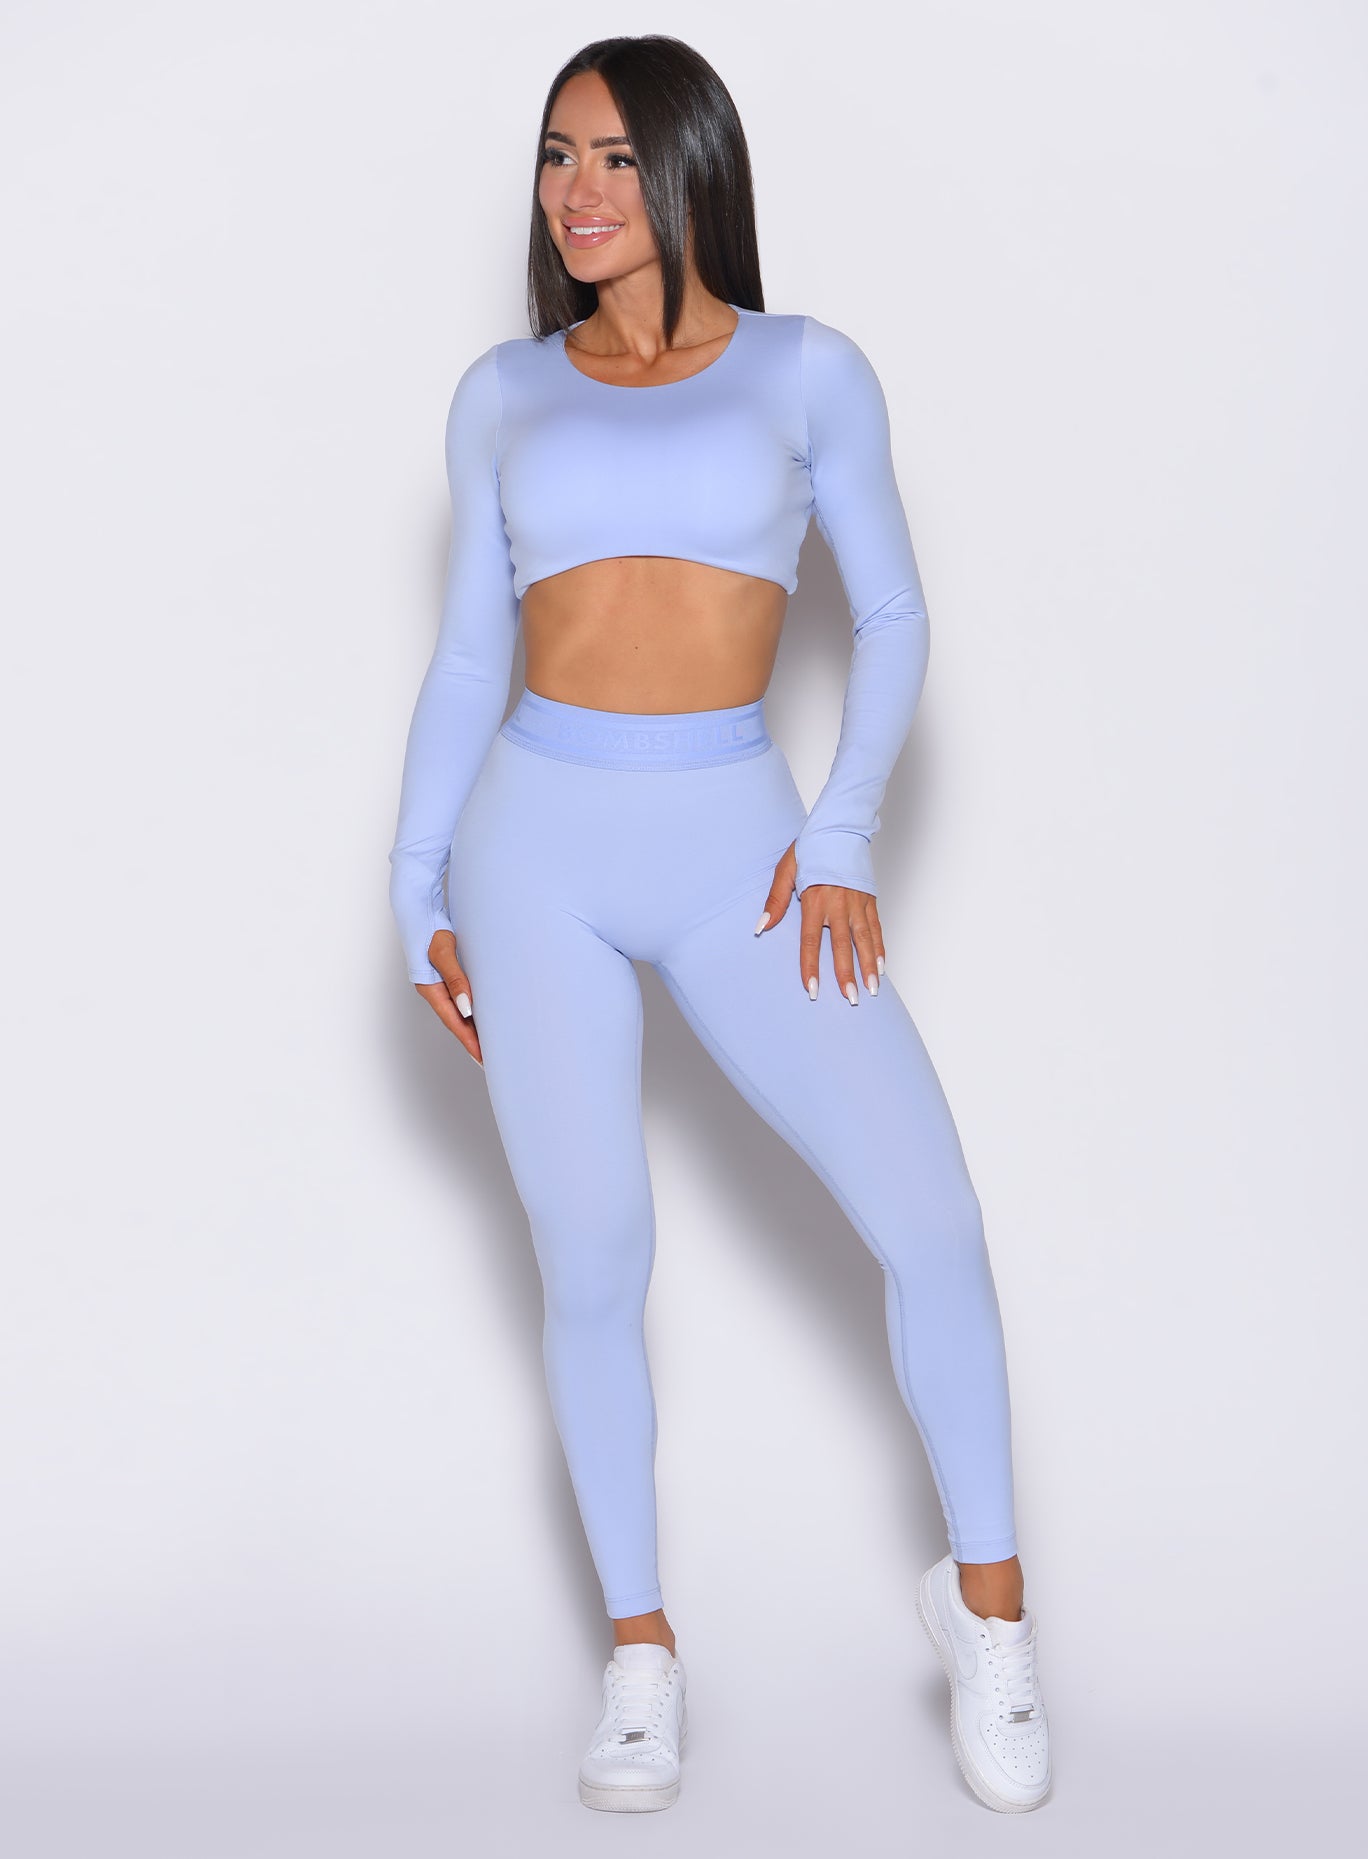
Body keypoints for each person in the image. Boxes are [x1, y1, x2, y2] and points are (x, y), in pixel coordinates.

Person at [387, 34, 1051, 1816]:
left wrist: (841, 835)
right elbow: (466, 656)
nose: (578, 191)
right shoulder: (502, 394)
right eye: (557, 156)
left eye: (615, 156)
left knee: (931, 1220)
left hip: (742, 845)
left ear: (691, 166)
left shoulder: (808, 371)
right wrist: (415, 882)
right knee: (595, 1255)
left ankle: (991, 1615)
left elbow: (893, 619)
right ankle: (641, 1653)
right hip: (533, 849)